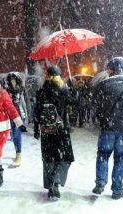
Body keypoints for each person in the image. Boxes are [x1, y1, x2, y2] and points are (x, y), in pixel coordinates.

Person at [92, 57, 123, 200]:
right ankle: (117, 189)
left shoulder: (104, 84)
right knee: (121, 160)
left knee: (103, 155)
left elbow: (96, 106)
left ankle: (100, 182)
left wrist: (102, 121)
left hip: (108, 128)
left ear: (112, 69)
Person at [34, 66, 77, 199]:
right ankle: (56, 182)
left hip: (46, 130)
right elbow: (75, 103)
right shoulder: (63, 90)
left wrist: (37, 129)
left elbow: (36, 111)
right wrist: (74, 91)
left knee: (48, 157)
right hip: (60, 129)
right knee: (66, 156)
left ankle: (50, 185)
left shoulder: (40, 91)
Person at [6, 72, 31, 167]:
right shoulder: (7, 89)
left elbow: (26, 101)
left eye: (14, 78)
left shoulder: (21, 89)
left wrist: (29, 115)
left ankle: (18, 155)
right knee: (13, 134)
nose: (12, 80)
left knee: (17, 134)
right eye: (11, 78)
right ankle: (17, 153)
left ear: (17, 79)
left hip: (20, 114)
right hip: (11, 114)